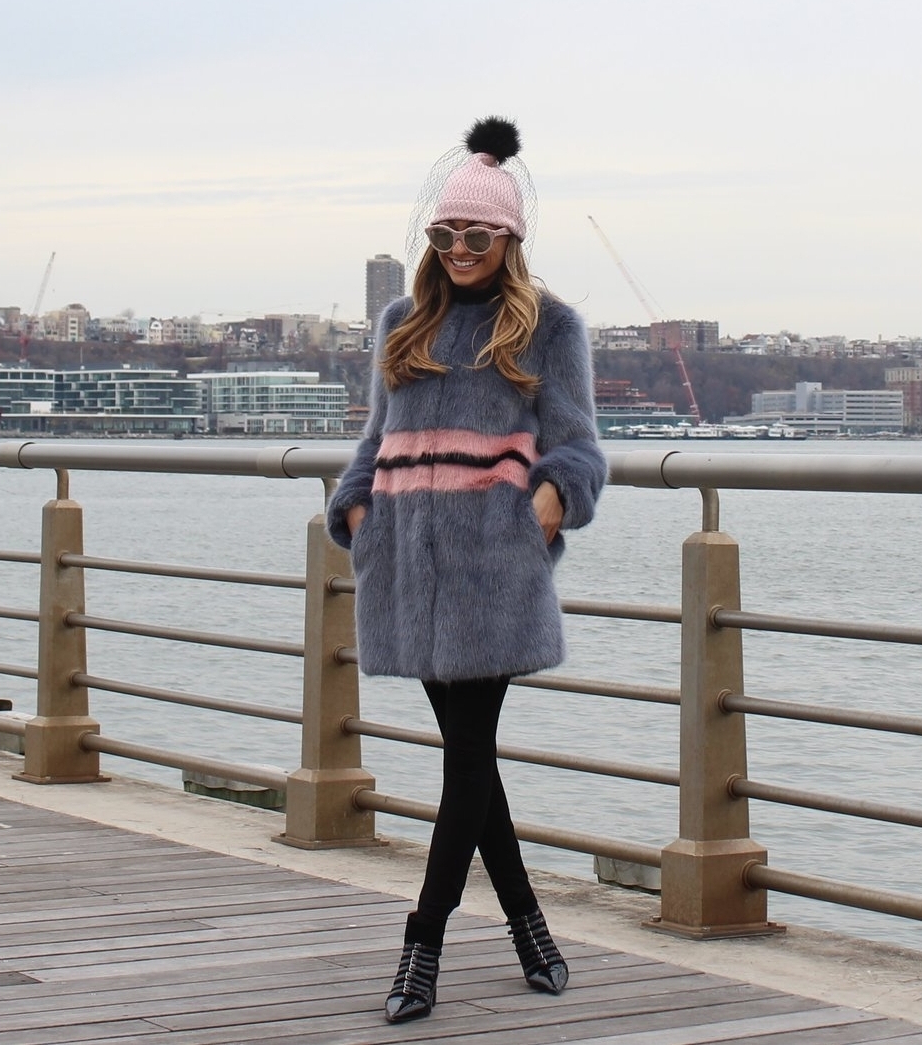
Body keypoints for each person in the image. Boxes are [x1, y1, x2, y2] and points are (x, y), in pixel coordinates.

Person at [326, 116, 607, 1023]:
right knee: (470, 761)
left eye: (476, 236)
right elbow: (375, 440)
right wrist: (357, 512)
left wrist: (543, 510)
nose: (458, 249)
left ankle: (422, 948)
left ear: (509, 240)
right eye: (445, 233)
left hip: (493, 568)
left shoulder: (550, 328)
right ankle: (530, 929)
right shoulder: (403, 324)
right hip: (406, 567)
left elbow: (579, 449)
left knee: (467, 758)